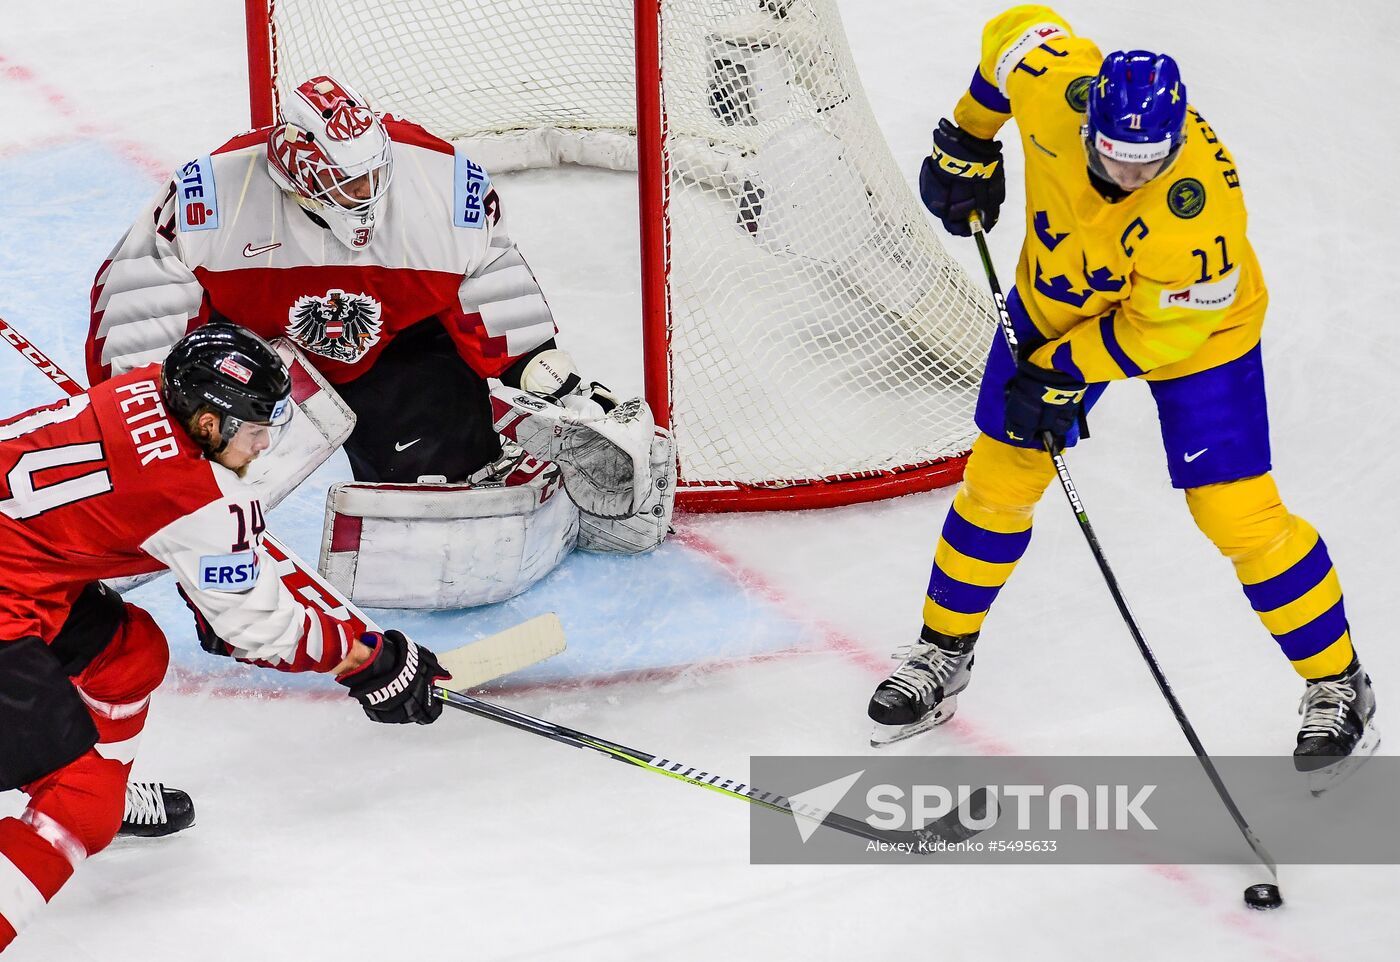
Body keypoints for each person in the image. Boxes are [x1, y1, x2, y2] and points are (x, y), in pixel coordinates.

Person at [867, 6, 1378, 775]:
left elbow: (1156, 335)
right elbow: (1018, 31)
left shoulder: (1196, 216)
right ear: (1088, 125)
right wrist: (972, 137)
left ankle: (1338, 682)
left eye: (1148, 162)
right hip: (1055, 302)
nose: (1131, 176)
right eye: (1114, 158)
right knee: (998, 481)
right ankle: (943, 654)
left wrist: (1062, 374)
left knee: (1236, 512)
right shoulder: (1055, 84)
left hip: (1197, 335)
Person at [87, 73, 674, 601]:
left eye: (371, 174)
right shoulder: (213, 194)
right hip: (252, 354)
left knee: (431, 505)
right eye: (346, 181)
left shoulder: (440, 180)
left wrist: (541, 368)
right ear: (297, 171)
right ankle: (141, 517)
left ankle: (492, 435)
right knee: (193, 480)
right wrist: (138, 406)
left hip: (395, 349)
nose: (365, 193)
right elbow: (142, 287)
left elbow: (492, 279)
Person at [0, 324, 447, 952]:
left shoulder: (143, 389)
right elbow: (260, 631)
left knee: (129, 653)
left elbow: (165, 533)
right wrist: (368, 660)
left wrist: (217, 583)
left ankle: (103, 786)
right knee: (77, 810)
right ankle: (86, 798)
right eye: (256, 431)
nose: (265, 447)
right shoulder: (196, 499)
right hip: (7, 598)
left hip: (24, 568)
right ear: (208, 425)